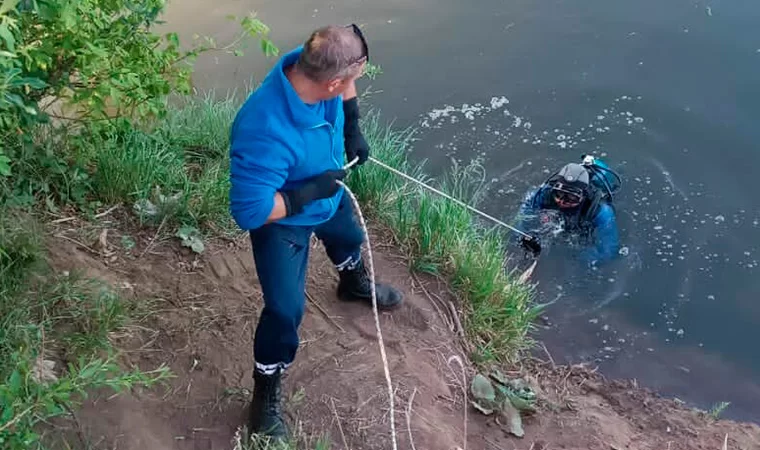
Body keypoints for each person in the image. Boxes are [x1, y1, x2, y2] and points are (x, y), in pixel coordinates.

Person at [228, 25, 403, 440]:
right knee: (285, 311)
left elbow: (347, 79)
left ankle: (352, 284)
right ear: (334, 82)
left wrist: (352, 126)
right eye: (355, 77)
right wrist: (305, 194)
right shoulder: (262, 128)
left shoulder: (312, 62)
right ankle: (265, 389)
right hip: (283, 222)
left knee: (349, 238)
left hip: (328, 191)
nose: (355, 82)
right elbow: (249, 211)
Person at [517, 156, 621, 264]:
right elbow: (523, 214)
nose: (562, 201)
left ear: (584, 196)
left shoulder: (601, 211)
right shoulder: (544, 193)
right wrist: (525, 237)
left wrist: (576, 257)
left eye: (571, 198)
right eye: (559, 194)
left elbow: (608, 251)